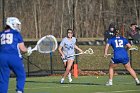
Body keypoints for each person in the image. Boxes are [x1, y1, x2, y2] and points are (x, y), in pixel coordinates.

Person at [0, 17, 31, 93]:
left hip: (1, 58)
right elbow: (22, 48)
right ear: (12, 24)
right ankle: (19, 91)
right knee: (21, 75)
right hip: (13, 57)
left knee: (3, 79)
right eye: (17, 25)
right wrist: (28, 50)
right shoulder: (16, 34)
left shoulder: (1, 34)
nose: (18, 26)